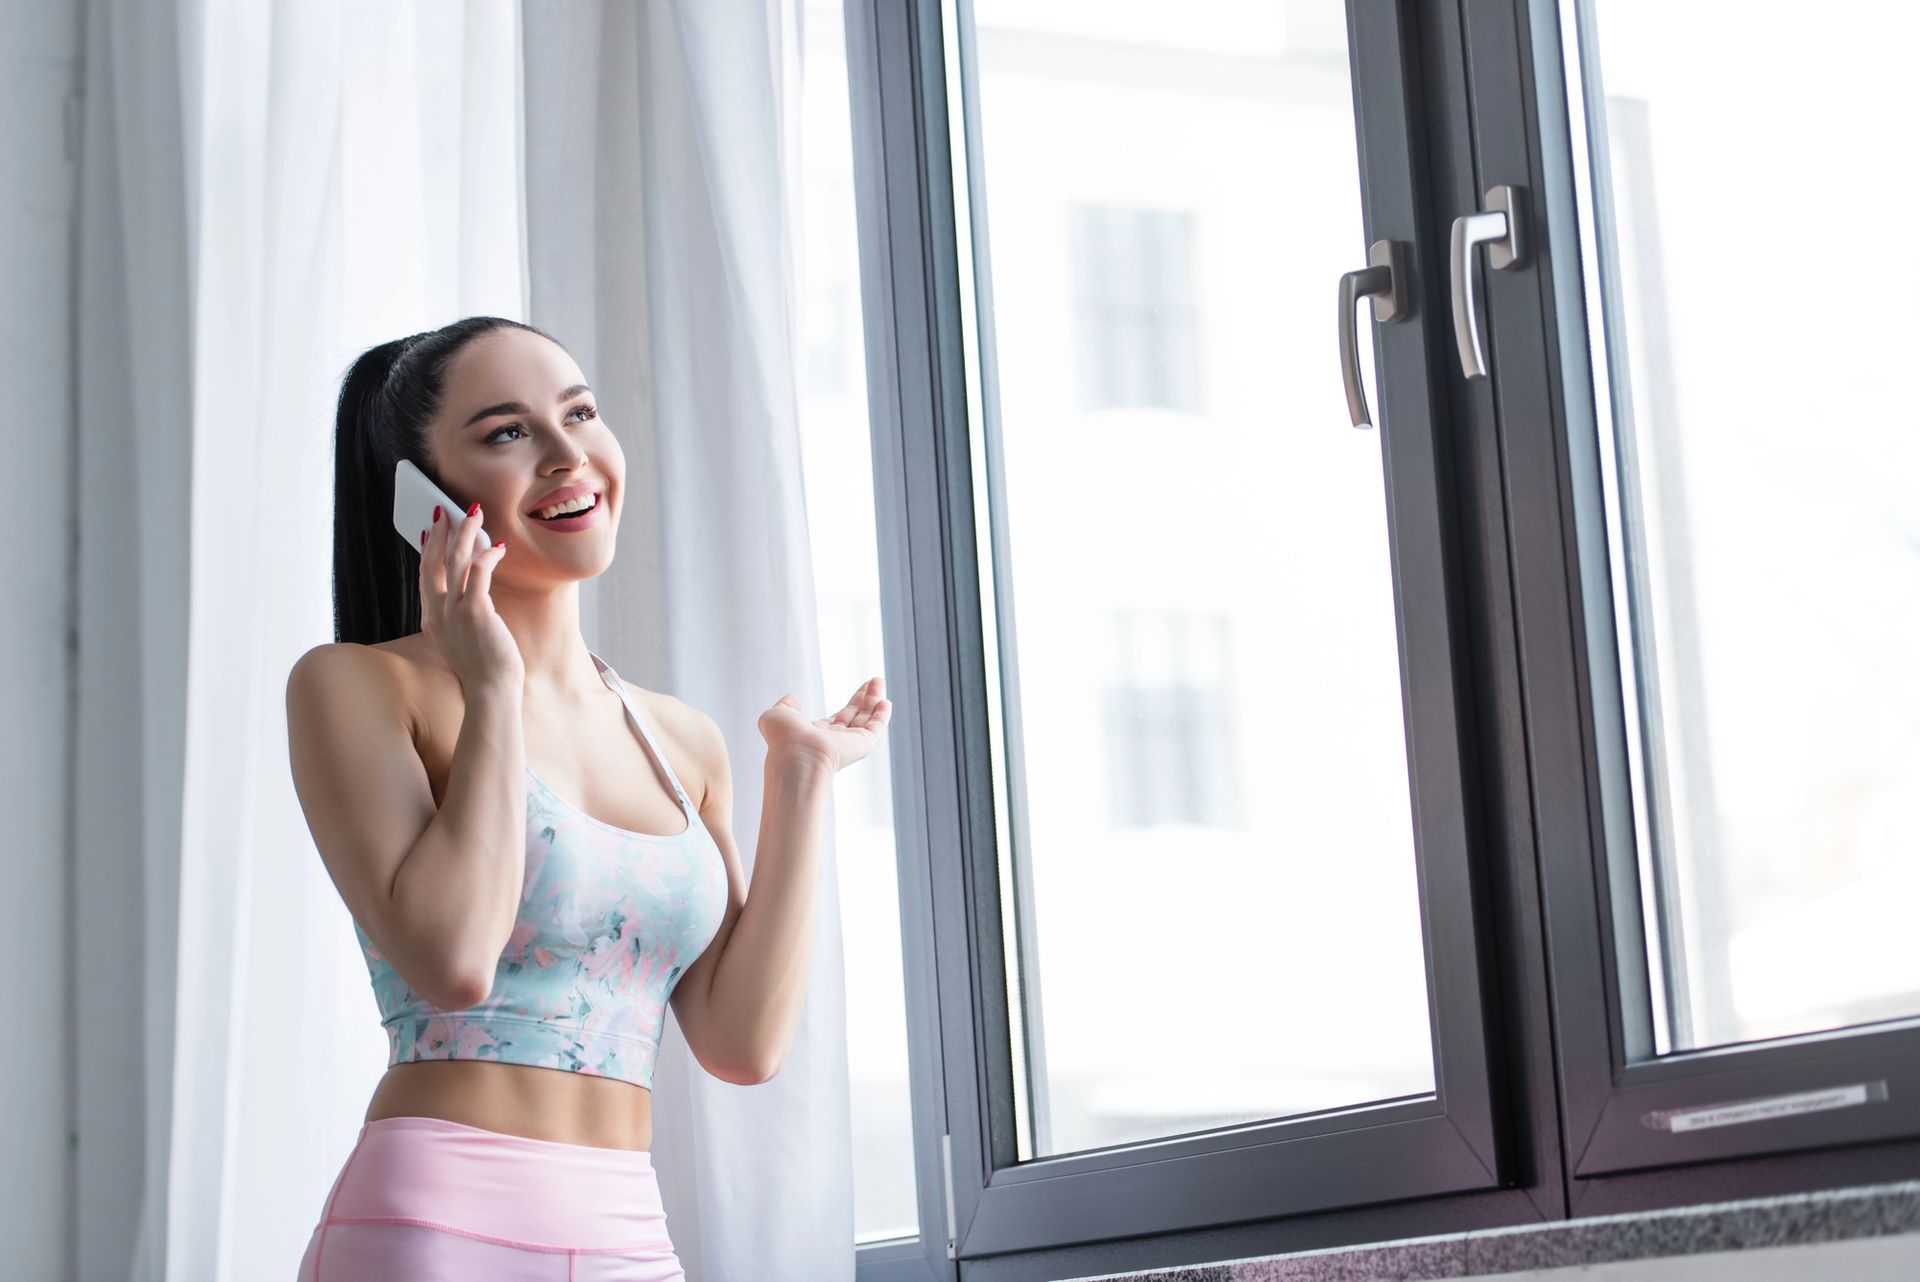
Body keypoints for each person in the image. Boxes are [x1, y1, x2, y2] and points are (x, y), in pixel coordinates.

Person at [284, 317, 889, 1279]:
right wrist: (490, 685)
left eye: (581, 412)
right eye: (508, 433)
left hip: (625, 1231)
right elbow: (452, 964)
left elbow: (741, 1043)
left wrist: (802, 779)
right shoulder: (357, 686)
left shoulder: (681, 739)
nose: (570, 455)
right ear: (426, 501)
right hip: (435, 1221)